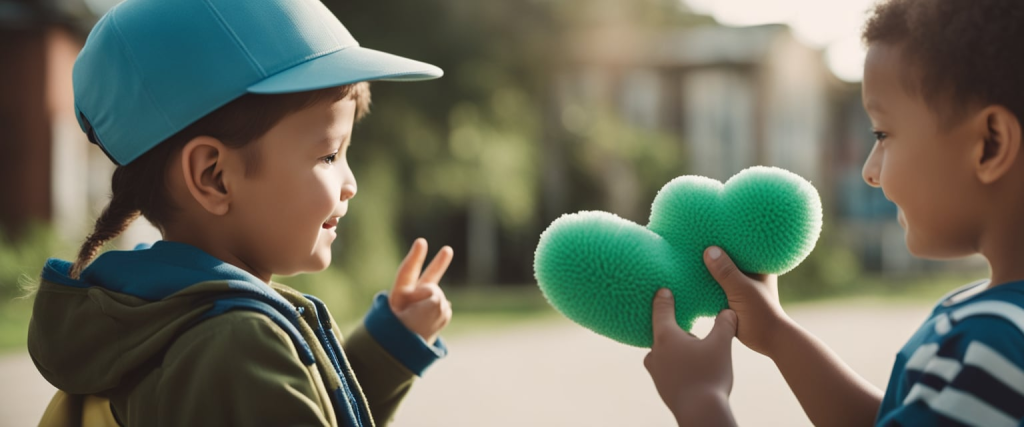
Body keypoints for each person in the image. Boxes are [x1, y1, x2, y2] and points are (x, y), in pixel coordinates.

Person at [27, 0, 453, 425]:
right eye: (328, 155)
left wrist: (390, 346)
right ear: (214, 177)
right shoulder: (236, 345)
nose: (351, 183)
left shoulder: (162, 321)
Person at [645, 0, 1024, 425]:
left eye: (883, 134)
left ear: (990, 144)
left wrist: (700, 401)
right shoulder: (1000, 325)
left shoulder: (991, 347)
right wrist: (774, 333)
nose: (869, 171)